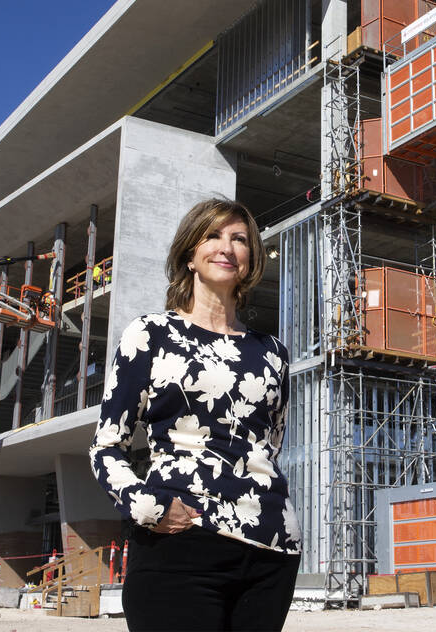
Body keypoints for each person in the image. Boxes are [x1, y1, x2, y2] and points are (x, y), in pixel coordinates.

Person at [89, 198, 300, 632]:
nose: (227, 247)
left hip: (270, 549)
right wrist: (145, 504)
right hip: (180, 538)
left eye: (239, 239)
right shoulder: (150, 335)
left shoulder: (273, 353)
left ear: (251, 258)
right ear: (190, 255)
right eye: (213, 236)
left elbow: (268, 447)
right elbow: (106, 446)